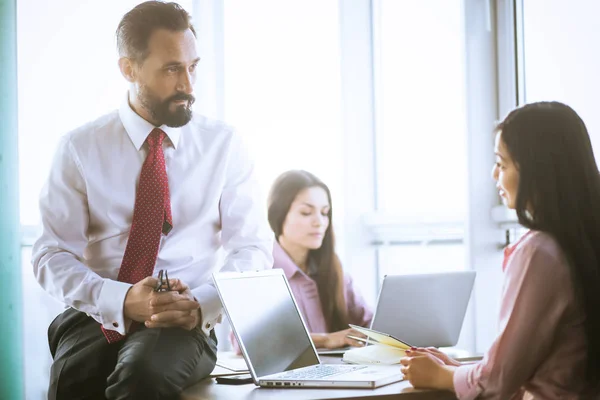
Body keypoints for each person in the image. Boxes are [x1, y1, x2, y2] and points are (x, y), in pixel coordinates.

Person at [32, 2, 273, 399]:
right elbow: (51, 255)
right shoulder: (80, 148)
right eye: (172, 69)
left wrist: (202, 304)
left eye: (193, 67)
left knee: (142, 375)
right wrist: (123, 299)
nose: (189, 86)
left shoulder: (224, 146)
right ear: (129, 69)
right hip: (98, 312)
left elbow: (251, 247)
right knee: (73, 381)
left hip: (186, 318)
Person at [400, 102, 600, 399]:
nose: (495, 174)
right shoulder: (583, 241)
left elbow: (498, 381)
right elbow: (529, 368)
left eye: (502, 163)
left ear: (536, 170)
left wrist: (441, 376)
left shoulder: (539, 252)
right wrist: (458, 371)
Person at [230, 170, 372, 351]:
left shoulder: (333, 269)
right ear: (278, 215)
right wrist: (326, 340)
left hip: (338, 372)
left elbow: (368, 323)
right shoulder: (261, 270)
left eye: (324, 213)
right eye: (306, 213)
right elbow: (244, 341)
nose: (319, 222)